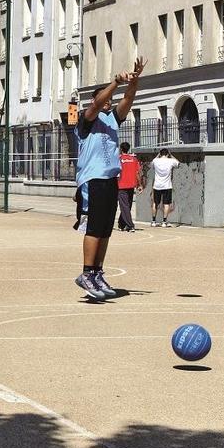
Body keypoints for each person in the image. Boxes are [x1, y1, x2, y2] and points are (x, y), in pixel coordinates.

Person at [74, 62, 145, 300]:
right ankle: (86, 273)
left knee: (106, 230)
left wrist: (133, 81)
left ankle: (96, 273)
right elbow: (96, 103)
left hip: (109, 179)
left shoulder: (113, 120)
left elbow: (128, 100)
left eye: (109, 99)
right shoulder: (87, 121)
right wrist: (115, 82)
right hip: (92, 179)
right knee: (94, 227)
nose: (108, 101)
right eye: (104, 98)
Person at [148, 146, 178, 225]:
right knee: (166, 204)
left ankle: (153, 221)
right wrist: (171, 155)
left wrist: (158, 155)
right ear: (167, 154)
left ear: (160, 154)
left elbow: (151, 164)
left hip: (157, 185)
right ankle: (164, 221)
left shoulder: (155, 160)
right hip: (167, 186)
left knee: (155, 203)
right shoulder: (170, 161)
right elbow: (178, 163)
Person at [117, 148, 141, 231]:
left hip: (121, 185)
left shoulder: (118, 159)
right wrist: (139, 184)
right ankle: (121, 223)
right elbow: (137, 172)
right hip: (131, 185)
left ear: (121, 149)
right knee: (127, 206)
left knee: (125, 206)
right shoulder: (134, 159)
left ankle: (130, 225)